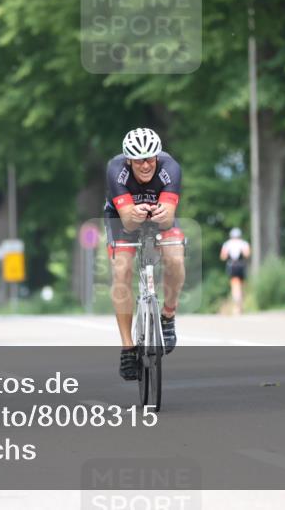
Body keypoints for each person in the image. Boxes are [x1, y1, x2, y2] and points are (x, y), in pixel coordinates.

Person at [104, 128, 184, 381]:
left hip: (159, 218)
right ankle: (128, 347)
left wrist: (162, 215)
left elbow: (169, 216)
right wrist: (133, 214)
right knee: (122, 270)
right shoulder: (116, 169)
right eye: (139, 160)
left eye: (150, 158)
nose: (146, 165)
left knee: (175, 258)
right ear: (128, 159)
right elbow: (127, 223)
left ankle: (168, 315)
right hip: (121, 219)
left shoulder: (170, 168)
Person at [220, 227, 250, 315]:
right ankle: (240, 306)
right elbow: (247, 254)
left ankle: (236, 307)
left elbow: (223, 256)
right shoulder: (243, 243)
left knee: (234, 286)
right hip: (241, 265)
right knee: (241, 286)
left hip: (232, 266)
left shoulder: (227, 244)